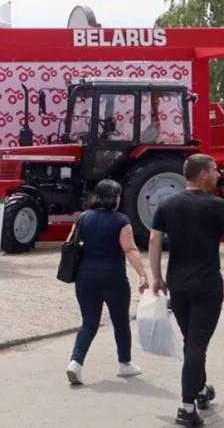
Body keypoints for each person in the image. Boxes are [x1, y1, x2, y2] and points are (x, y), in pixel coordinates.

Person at [149, 154, 224, 426]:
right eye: (214, 169)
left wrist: (156, 277)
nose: (218, 174)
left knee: (191, 340)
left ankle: (200, 390)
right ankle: (187, 407)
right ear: (203, 174)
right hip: (207, 284)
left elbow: (154, 239)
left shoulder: (167, 204)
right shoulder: (218, 206)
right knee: (196, 344)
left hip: (178, 284)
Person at [66, 179, 148, 385]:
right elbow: (130, 249)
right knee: (120, 322)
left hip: (85, 277)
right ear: (115, 198)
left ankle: (75, 362)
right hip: (113, 277)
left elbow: (70, 243)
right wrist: (142, 274)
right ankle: (124, 363)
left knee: (89, 323)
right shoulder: (121, 220)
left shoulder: (82, 218)